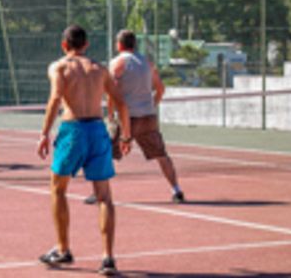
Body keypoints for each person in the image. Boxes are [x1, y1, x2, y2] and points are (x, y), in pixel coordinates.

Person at [37, 24, 132, 276]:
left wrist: (44, 133)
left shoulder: (59, 67)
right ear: (86, 45)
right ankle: (108, 258)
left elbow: (56, 98)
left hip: (73, 130)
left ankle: (63, 249)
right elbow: (121, 102)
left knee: (58, 188)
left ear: (64, 45)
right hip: (97, 130)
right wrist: (126, 135)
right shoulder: (99, 69)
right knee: (104, 196)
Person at [85, 29, 184, 204]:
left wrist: (111, 115)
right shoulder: (147, 62)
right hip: (147, 117)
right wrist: (151, 105)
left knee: (102, 152)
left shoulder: (117, 63)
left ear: (119, 44)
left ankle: (99, 192)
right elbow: (160, 89)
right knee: (161, 155)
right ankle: (177, 190)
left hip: (126, 118)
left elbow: (112, 92)